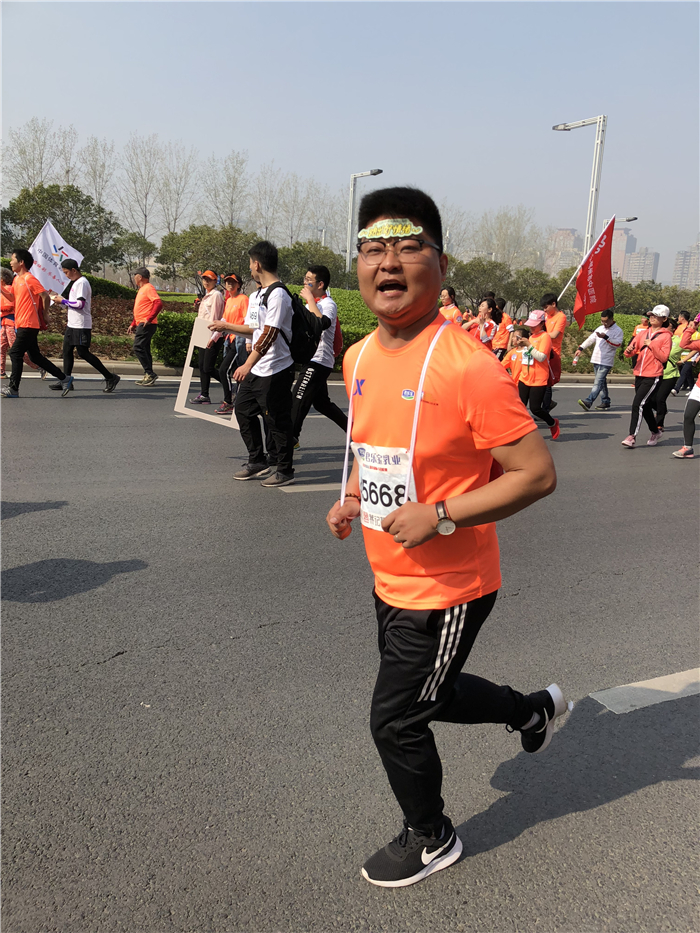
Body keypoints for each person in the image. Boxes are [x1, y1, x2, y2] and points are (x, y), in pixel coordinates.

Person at [326, 186, 567, 889]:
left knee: (396, 718)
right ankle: (531, 709)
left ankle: (431, 837)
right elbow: (372, 446)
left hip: (449, 586)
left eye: (408, 248)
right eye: (374, 249)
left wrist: (440, 515)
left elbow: (536, 474)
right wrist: (352, 495)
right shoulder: (358, 356)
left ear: (440, 263)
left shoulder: (470, 366)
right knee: (436, 690)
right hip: (389, 574)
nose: (388, 263)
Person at [215, 240, 295, 487]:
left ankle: (285, 470)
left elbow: (270, 334)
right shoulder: (256, 295)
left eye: (250, 263)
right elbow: (253, 329)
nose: (250, 268)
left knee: (276, 420)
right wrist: (226, 326)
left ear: (257, 264)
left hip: (276, 368)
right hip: (259, 366)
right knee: (243, 410)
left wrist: (247, 364)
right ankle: (257, 460)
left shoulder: (279, 294)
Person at [1, 249, 73, 398]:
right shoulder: (16, 280)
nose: (10, 262)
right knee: (35, 357)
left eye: (13, 259)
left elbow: (44, 295)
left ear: (21, 262)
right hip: (21, 323)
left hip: (29, 323)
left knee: (15, 353)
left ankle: (13, 388)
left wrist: (45, 314)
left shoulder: (29, 279)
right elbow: (12, 298)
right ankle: (64, 378)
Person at [290, 265, 348, 443]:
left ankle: (291, 440)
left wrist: (310, 301)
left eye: (309, 280)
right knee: (322, 404)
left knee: (297, 398)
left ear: (320, 284)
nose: (305, 283)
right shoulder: (311, 304)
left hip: (319, 359)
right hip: (311, 358)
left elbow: (323, 323)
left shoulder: (328, 304)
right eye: (305, 278)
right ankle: (355, 433)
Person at [47, 259, 120, 393]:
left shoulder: (82, 283)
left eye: (67, 272)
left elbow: (80, 305)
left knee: (83, 353)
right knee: (67, 351)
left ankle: (110, 377)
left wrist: (63, 301)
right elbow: (72, 303)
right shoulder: (76, 283)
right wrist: (59, 300)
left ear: (74, 270)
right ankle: (66, 380)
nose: (66, 275)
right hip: (72, 324)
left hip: (81, 325)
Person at [621, 304, 672, 449]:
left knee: (638, 404)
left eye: (656, 316)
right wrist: (629, 350)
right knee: (646, 406)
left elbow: (663, 357)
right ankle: (655, 431)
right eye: (651, 315)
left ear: (664, 319)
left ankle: (632, 436)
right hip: (639, 373)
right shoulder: (643, 333)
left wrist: (651, 345)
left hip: (653, 375)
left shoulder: (666, 336)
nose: (652, 318)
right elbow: (630, 352)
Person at [518, 309, 560, 439]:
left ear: (542, 324)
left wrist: (528, 345)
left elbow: (541, 357)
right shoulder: (531, 337)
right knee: (519, 406)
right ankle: (521, 431)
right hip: (525, 377)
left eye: (534, 325)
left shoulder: (545, 337)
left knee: (535, 408)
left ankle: (552, 423)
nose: (531, 327)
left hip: (538, 378)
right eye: (530, 324)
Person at [573, 309, 623, 411]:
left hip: (606, 360)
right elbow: (590, 339)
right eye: (602, 321)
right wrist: (581, 348)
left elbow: (617, 344)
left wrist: (606, 337)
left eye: (606, 321)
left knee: (598, 382)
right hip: (596, 359)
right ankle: (605, 401)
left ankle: (589, 401)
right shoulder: (600, 328)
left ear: (611, 319)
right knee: (601, 382)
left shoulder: (618, 331)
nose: (604, 323)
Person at [215, 273, 249, 415]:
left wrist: (249, 340)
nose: (230, 284)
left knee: (224, 370)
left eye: (233, 282)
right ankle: (241, 399)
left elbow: (248, 321)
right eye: (227, 282)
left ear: (239, 284)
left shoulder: (244, 299)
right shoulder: (228, 300)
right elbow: (225, 320)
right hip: (229, 340)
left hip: (239, 340)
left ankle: (228, 401)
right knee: (236, 371)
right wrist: (214, 337)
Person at [189, 270, 225, 405]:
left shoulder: (216, 295)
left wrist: (213, 337)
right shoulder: (207, 295)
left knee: (208, 367)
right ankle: (204, 394)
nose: (206, 282)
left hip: (212, 335)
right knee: (202, 366)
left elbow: (215, 318)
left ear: (215, 281)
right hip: (203, 333)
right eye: (204, 279)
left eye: (209, 279)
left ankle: (230, 387)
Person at [1, 267, 43, 379]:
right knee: (2, 347)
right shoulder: (6, 288)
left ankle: (39, 366)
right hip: (4, 323)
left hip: (12, 323)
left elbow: (9, 305)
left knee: (16, 350)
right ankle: (1, 371)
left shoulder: (9, 288)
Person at [128, 267, 162, 386]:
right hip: (142, 322)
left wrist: (149, 319)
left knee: (138, 347)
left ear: (140, 277)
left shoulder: (148, 288)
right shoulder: (142, 289)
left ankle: (150, 374)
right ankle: (148, 375)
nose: (134, 277)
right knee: (145, 349)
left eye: (135, 275)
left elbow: (158, 303)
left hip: (147, 324)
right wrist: (133, 323)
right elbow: (141, 309)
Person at [673, 318, 700, 458]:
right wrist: (692, 327)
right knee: (688, 415)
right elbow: (684, 344)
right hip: (699, 387)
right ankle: (688, 448)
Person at [652, 321, 682, 432]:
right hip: (656, 372)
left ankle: (659, 424)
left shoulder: (678, 341)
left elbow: (693, 347)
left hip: (670, 374)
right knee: (651, 399)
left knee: (660, 398)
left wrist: (684, 360)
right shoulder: (658, 338)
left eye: (667, 327)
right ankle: (662, 411)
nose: (664, 328)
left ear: (673, 329)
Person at [541, 293, 567, 412]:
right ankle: (548, 402)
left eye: (546, 307)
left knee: (547, 382)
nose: (544, 310)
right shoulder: (545, 316)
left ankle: (545, 408)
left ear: (553, 304)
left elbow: (555, 334)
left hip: (553, 353)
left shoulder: (561, 317)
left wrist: (540, 335)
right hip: (542, 349)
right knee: (540, 380)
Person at [672, 313, 699, 395]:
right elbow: (683, 345)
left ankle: (676, 389)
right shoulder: (686, 333)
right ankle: (691, 388)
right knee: (687, 374)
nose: (689, 326)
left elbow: (695, 351)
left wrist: (696, 359)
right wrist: (691, 329)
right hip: (683, 357)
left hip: (691, 358)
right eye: (690, 325)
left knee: (684, 373)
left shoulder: (697, 335)